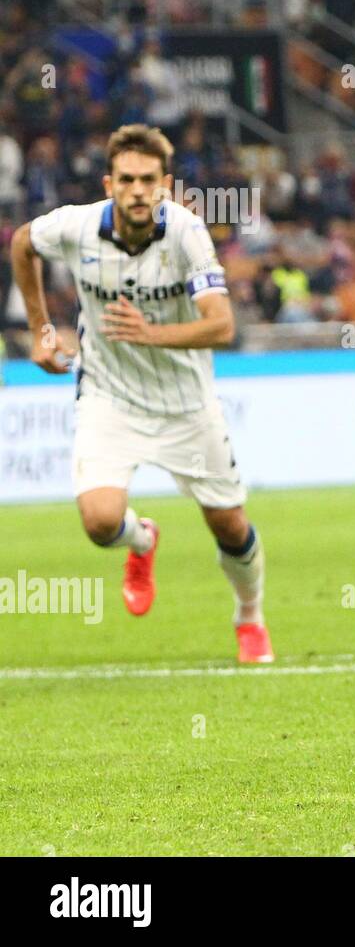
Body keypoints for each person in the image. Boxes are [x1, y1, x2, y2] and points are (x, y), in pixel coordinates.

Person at [8, 124, 272, 664]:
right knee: (101, 522)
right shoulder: (77, 227)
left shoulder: (187, 234)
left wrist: (150, 334)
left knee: (228, 523)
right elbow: (21, 242)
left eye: (147, 180)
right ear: (109, 182)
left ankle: (250, 615)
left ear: (165, 185)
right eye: (125, 178)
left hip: (186, 403)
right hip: (110, 396)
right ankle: (142, 540)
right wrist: (40, 327)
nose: (136, 190)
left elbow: (222, 326)